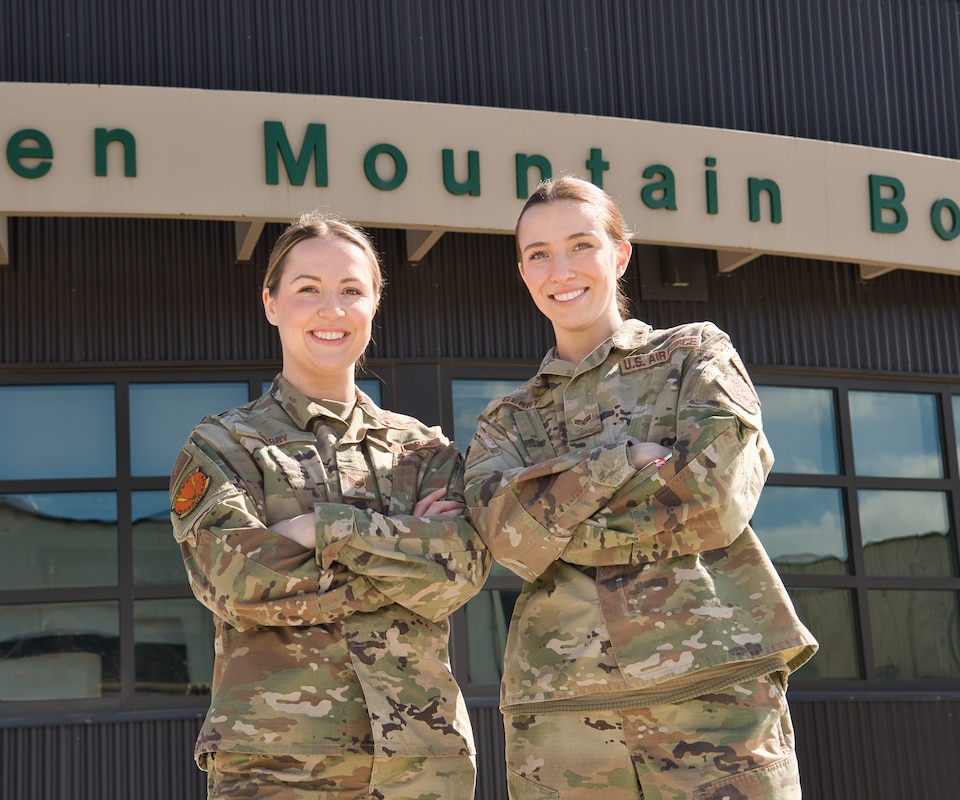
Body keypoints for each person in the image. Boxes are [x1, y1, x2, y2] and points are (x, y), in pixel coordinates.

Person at [462, 175, 818, 800]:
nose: (561, 269)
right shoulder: (507, 420)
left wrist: (561, 524)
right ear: (523, 272)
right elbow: (510, 542)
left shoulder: (692, 356)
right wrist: (622, 464)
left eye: (581, 244)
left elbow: (716, 499)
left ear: (620, 254)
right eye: (539, 254)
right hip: (565, 717)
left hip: (711, 695)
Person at [170, 211, 490, 799]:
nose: (331, 309)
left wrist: (318, 528)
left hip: (422, 761)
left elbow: (461, 572)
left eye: (351, 291)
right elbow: (234, 580)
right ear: (270, 303)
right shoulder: (222, 445)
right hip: (278, 764)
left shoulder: (423, 449)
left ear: (374, 305)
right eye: (307, 290)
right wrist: (400, 547)